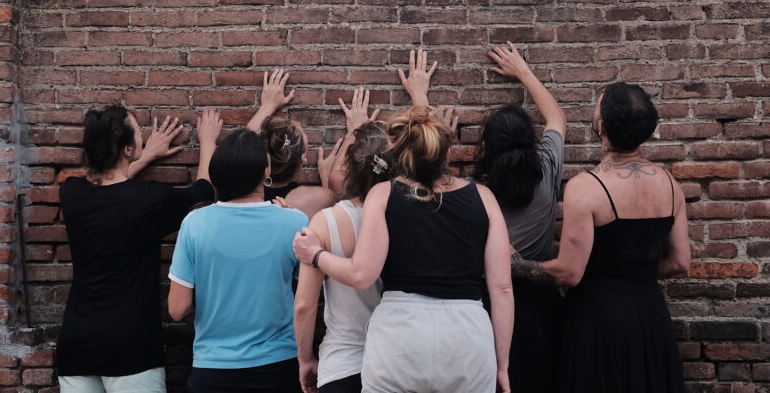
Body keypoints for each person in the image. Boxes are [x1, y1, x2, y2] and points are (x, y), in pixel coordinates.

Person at [293, 49, 514, 393]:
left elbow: (362, 274)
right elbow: (501, 288)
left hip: (400, 335)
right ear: (446, 152)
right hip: (467, 338)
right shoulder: (483, 198)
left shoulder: (383, 193)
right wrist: (502, 365)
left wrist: (316, 255)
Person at [510, 82, 690, 393]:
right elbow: (679, 261)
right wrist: (633, 275)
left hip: (600, 320)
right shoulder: (670, 184)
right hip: (649, 315)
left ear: (601, 126)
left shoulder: (586, 187)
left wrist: (515, 264)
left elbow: (569, 272)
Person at [55, 105, 222, 393]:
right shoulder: (150, 200)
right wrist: (207, 141)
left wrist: (146, 156)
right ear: (128, 149)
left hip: (76, 345)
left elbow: (108, 188)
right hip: (130, 348)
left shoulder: (71, 193)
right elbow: (203, 190)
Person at [168, 129, 310, 393]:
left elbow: (177, 309)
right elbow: (307, 299)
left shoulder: (195, 224)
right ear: (266, 170)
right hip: (277, 366)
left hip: (212, 369)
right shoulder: (294, 222)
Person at [475, 44, 567, 393]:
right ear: (531, 142)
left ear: (487, 148)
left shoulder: (474, 193)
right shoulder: (546, 170)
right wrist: (524, 72)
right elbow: (557, 118)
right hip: (542, 305)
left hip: (487, 309)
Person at [293, 96, 390, 393]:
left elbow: (304, 305)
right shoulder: (406, 216)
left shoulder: (325, 221)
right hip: (393, 362)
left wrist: (305, 359)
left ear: (347, 165)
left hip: (342, 363)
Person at [247, 69, 340, 217]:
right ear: (303, 158)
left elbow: (245, 141)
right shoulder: (311, 200)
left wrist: (267, 107)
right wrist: (326, 179)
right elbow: (335, 215)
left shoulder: (245, 192)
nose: (297, 123)